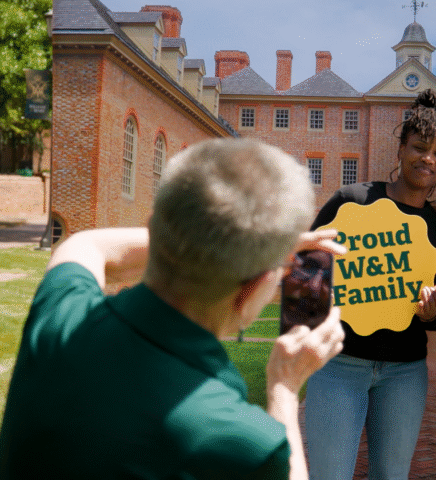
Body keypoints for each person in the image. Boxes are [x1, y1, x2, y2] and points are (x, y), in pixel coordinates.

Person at [0, 138, 345, 480]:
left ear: (152, 227)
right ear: (256, 285)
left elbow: (88, 244)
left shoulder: (61, 317)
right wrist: (283, 390)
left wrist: (211, 242)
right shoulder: (244, 441)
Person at [304, 88, 436, 480]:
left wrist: (434, 313)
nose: (428, 158)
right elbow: (305, 267)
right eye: (420, 147)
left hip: (405, 373)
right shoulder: (351, 200)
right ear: (401, 150)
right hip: (338, 364)